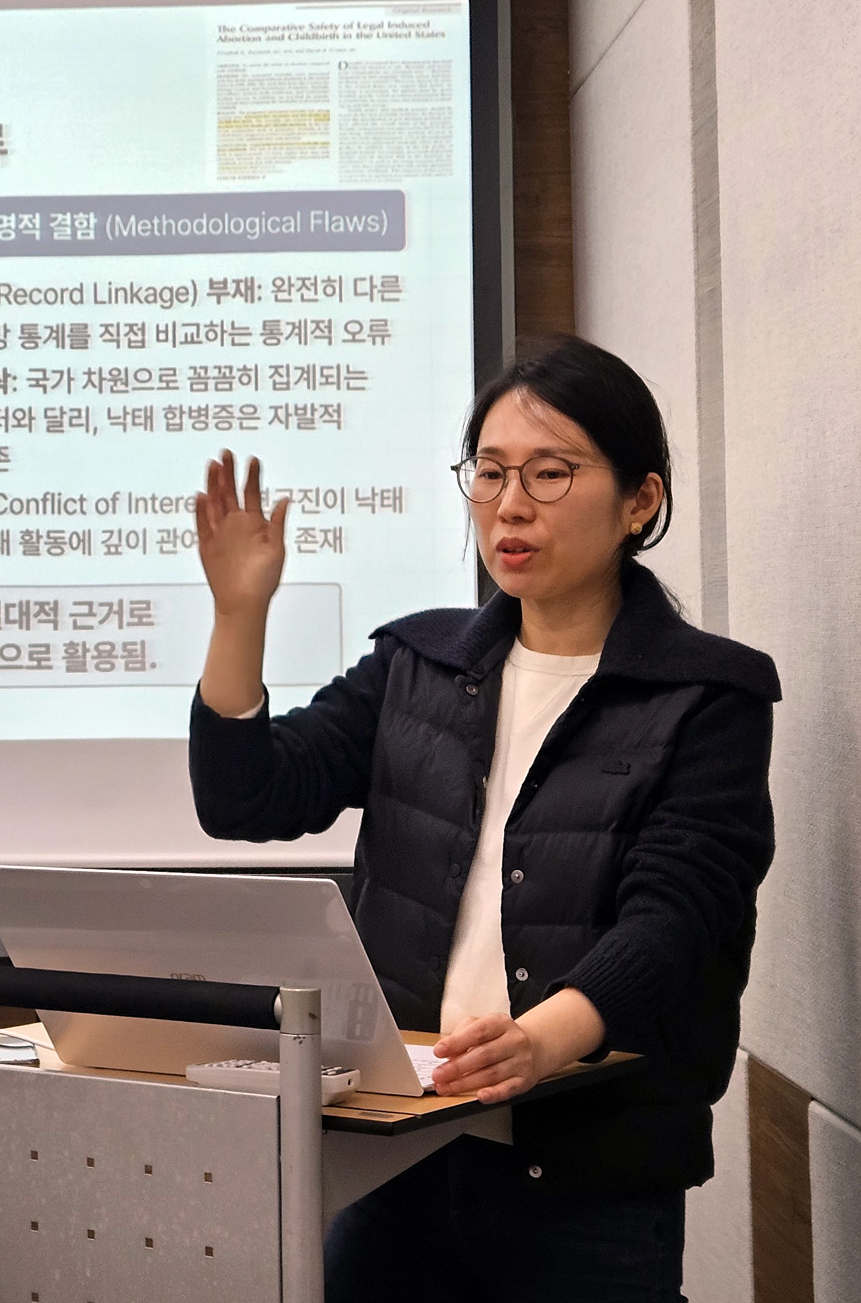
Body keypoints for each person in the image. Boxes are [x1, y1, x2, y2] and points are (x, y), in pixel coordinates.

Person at [188, 335, 778, 1302]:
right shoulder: (418, 665)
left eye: (551, 473)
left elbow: (675, 920)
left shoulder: (709, 697)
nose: (510, 504)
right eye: (491, 472)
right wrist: (237, 616)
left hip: (588, 1175)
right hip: (399, 1148)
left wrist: (543, 1041)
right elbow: (246, 798)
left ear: (641, 501)